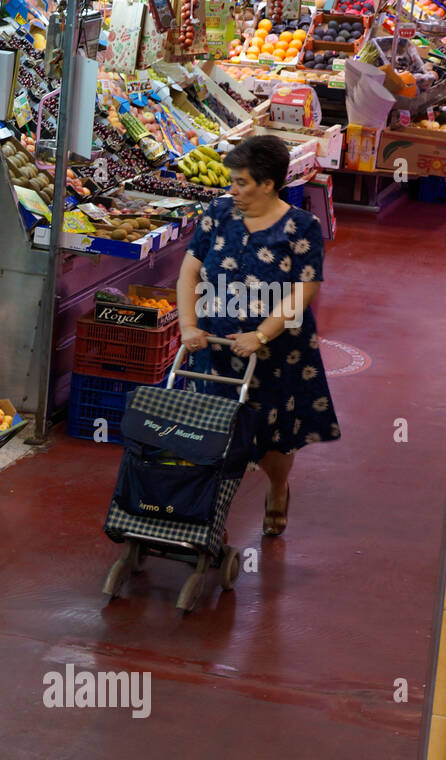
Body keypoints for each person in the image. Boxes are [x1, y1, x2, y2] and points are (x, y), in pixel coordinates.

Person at [176, 135, 339, 536]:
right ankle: (206, 514)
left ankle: (279, 487)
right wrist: (188, 325)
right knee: (207, 431)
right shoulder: (217, 213)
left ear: (267, 184)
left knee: (274, 437)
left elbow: (305, 289)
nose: (232, 190)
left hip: (277, 351)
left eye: (242, 182)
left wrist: (262, 335)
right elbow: (189, 271)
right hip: (214, 345)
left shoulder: (302, 226)